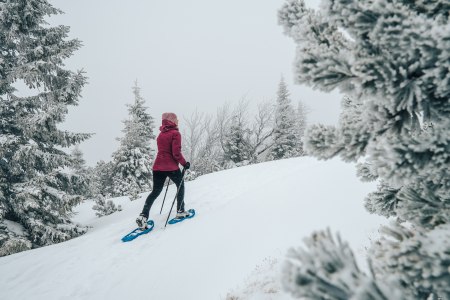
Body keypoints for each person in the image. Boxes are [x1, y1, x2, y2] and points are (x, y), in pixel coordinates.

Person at [136, 112, 190, 229]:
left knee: (155, 192)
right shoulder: (175, 133)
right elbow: (176, 153)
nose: (177, 122)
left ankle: (143, 216)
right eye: (176, 120)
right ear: (173, 121)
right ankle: (180, 211)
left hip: (157, 167)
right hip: (170, 167)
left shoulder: (161, 135)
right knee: (180, 186)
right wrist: (185, 164)